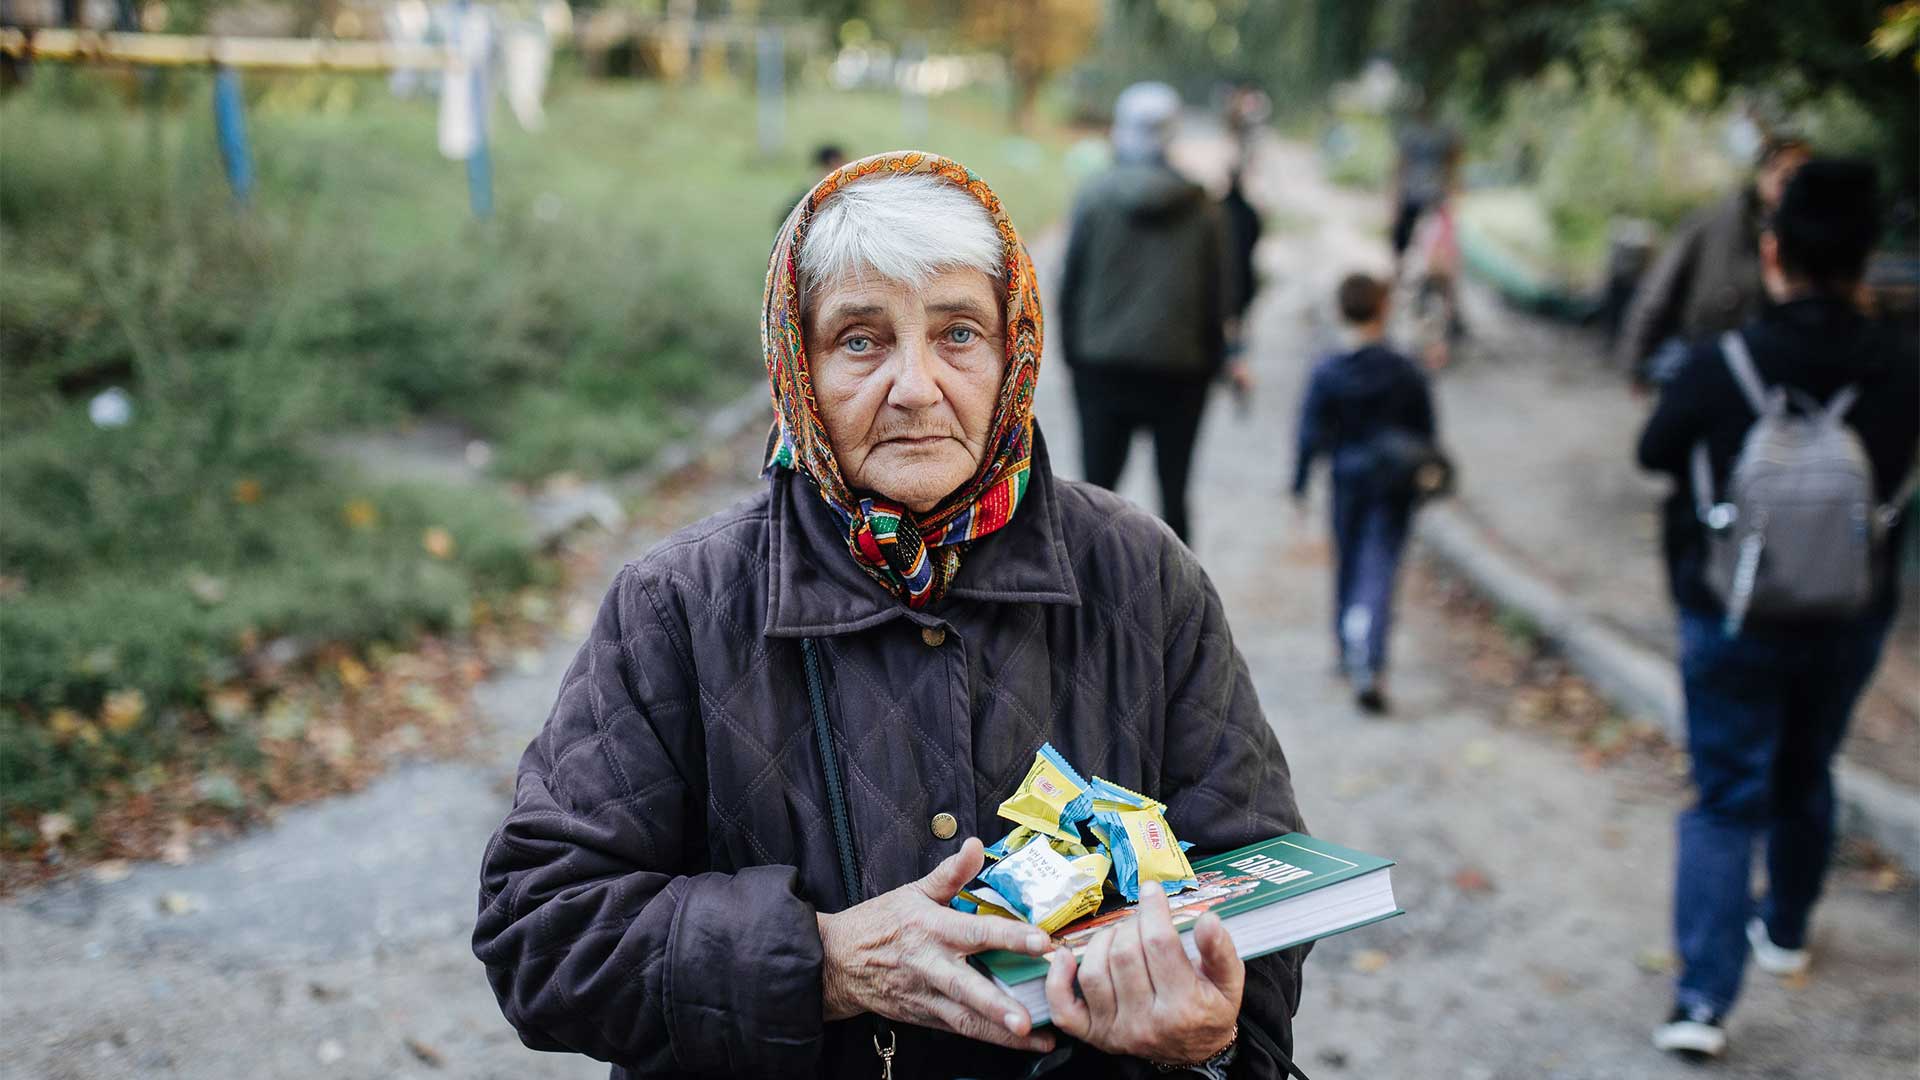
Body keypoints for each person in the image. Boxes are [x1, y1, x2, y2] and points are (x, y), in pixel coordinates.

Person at [474, 151, 1312, 1080]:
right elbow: (540, 933)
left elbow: (1265, 895)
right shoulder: (677, 604)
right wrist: (827, 962)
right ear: (799, 364)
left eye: (958, 333)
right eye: (861, 341)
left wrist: (1211, 1040)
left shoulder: (1140, 575)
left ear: (1013, 351)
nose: (916, 388)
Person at [1636, 160, 1918, 1060]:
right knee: (1809, 766)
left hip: (1731, 613)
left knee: (1725, 796)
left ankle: (1702, 1002)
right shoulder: (1905, 368)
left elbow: (1655, 449)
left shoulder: (1726, 363)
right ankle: (1787, 927)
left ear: (1770, 251)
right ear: (1866, 258)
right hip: (1849, 612)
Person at [1057, 81, 1246, 545]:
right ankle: (1181, 606)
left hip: (1101, 366)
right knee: (1176, 492)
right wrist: (1218, 358)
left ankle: (1087, 601)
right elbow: (1221, 295)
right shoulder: (1203, 208)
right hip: (1181, 371)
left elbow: (1070, 285)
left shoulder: (1094, 196)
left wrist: (1074, 354)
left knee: (1094, 497)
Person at [1291, 273, 1437, 714]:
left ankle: (1343, 647)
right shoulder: (1406, 369)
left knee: (1348, 559)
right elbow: (1426, 430)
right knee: (1380, 566)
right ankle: (1369, 662)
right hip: (1393, 482)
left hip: (1346, 476)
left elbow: (1310, 431)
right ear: (1383, 309)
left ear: (1340, 311)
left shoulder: (1328, 370)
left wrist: (1299, 482)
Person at [1615, 135, 1811, 386]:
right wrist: (1635, 361)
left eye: (1802, 176)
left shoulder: (1807, 238)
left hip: (1766, 373)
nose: (1792, 184)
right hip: (1701, 358)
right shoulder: (1711, 224)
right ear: (1764, 172)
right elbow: (1658, 291)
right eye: (1785, 174)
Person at [1388, 100, 1458, 280]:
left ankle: (1434, 279)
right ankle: (1400, 274)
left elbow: (1452, 161)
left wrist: (1450, 188)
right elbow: (1400, 164)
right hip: (1413, 193)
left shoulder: (1443, 133)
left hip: (1433, 195)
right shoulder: (1411, 134)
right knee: (1403, 238)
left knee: (1436, 240)